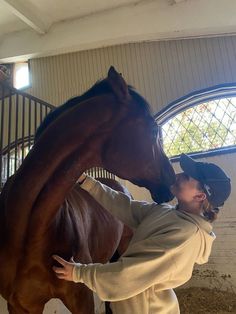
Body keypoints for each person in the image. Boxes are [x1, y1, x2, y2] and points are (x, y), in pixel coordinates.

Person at [52, 153, 231, 314]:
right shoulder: (169, 213)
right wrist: (87, 182)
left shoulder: (185, 235)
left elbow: (127, 275)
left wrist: (79, 273)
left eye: (186, 177)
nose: (177, 175)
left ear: (200, 196)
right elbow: (126, 206)